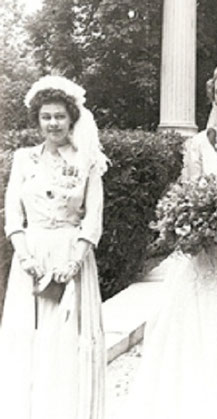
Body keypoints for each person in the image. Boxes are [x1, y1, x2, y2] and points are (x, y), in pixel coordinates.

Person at [121, 61, 217, 419]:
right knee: (202, 312)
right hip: (208, 242)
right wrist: (197, 217)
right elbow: (190, 188)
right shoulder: (201, 143)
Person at [0, 75, 109, 419]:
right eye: (46, 117)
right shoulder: (23, 159)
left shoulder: (87, 161)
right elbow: (13, 215)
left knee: (65, 340)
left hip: (70, 255)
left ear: (71, 119)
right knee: (28, 339)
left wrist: (74, 262)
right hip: (30, 258)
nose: (53, 123)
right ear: (37, 121)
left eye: (60, 116)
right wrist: (25, 255)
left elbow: (93, 219)